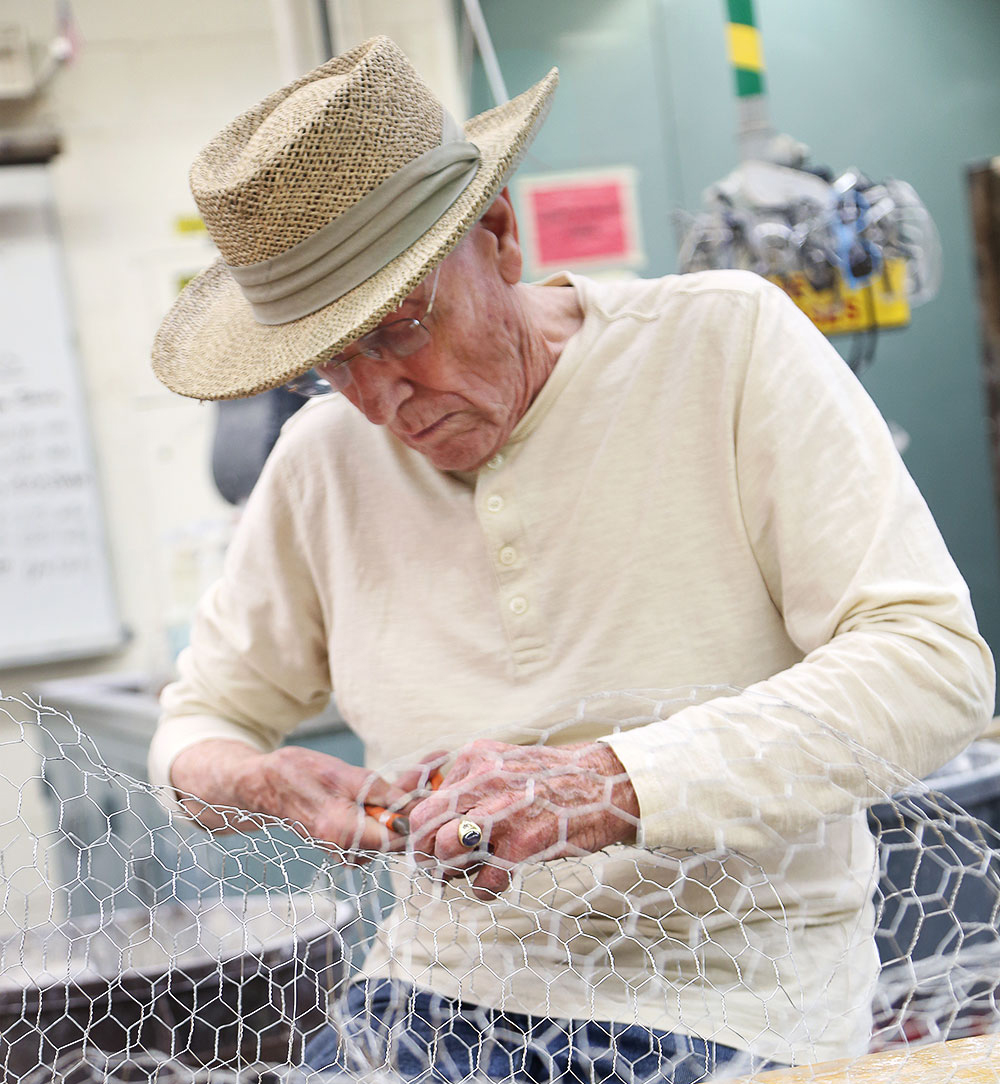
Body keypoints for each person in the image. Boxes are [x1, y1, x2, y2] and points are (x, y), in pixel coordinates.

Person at [148, 35, 994, 1083]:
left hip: (724, 1003)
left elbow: (931, 664)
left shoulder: (722, 346)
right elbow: (197, 725)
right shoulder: (321, 461)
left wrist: (612, 781)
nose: (382, 397)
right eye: (334, 361)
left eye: (402, 325)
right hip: (428, 998)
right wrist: (262, 779)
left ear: (499, 235)